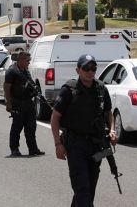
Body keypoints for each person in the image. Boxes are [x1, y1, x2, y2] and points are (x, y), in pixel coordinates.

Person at [50, 54, 117, 207]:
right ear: (78, 70)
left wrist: (112, 130)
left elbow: (108, 113)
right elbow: (55, 118)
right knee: (82, 190)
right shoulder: (69, 90)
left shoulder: (101, 89)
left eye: (93, 68)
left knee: (90, 189)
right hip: (75, 145)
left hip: (97, 146)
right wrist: (57, 144)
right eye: (86, 68)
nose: (90, 71)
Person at [4, 52, 45, 157]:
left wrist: (35, 90)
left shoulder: (25, 71)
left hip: (28, 103)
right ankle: (14, 149)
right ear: (21, 60)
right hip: (17, 102)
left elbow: (30, 83)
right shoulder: (12, 71)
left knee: (31, 127)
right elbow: (7, 87)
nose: (29, 62)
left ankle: (33, 149)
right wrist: (8, 103)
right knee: (17, 127)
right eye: (27, 61)